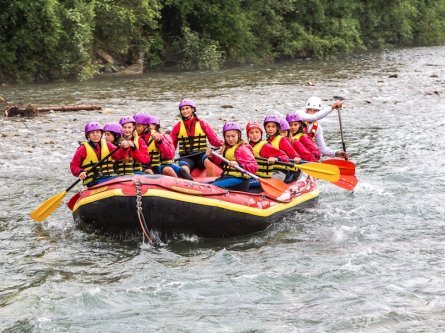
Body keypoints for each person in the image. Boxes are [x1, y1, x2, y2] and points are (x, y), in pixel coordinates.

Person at [170, 99, 224, 176]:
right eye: (183, 109)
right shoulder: (177, 126)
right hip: (186, 157)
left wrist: (223, 144)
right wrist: (168, 157)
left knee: (208, 162)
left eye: (187, 108)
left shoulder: (202, 123)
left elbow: (213, 140)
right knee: (184, 170)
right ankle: (187, 185)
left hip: (201, 154)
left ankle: (212, 184)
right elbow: (172, 145)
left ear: (192, 109)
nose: (185, 111)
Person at [206, 122, 258, 191]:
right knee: (206, 185)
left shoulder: (242, 149)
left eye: (233, 136)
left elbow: (254, 167)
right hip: (227, 177)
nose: (230, 139)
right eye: (228, 136)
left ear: (238, 135)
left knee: (209, 188)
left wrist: (239, 165)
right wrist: (212, 157)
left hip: (240, 181)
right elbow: (223, 164)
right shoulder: (227, 147)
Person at [70, 122, 124, 187]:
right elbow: (74, 166)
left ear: (101, 134)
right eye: (92, 133)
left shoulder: (108, 145)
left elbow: (120, 155)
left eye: (97, 132)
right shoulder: (82, 149)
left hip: (110, 177)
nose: (95, 135)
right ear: (88, 135)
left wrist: (125, 148)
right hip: (93, 181)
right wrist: (80, 172)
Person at [146, 115, 193, 179]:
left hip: (166, 163)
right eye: (149, 125)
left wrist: (160, 142)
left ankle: (190, 185)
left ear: (157, 126)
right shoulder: (142, 138)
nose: (151, 127)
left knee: (182, 170)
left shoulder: (163, 137)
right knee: (167, 170)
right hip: (155, 165)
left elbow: (170, 154)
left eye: (153, 125)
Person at [264, 114, 301, 182]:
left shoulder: (282, 140)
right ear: (265, 128)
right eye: (268, 126)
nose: (271, 129)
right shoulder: (266, 142)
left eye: (273, 126)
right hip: (271, 170)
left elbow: (294, 156)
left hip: (284, 172)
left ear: (277, 128)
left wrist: (277, 158)